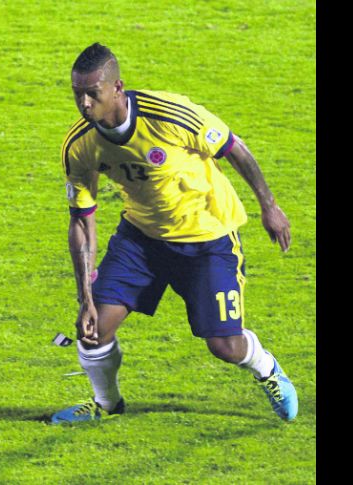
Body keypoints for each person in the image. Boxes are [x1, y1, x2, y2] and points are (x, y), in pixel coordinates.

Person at [51, 43, 298, 424]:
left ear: (117, 88)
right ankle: (107, 404)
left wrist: (269, 206)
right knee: (93, 328)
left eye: (92, 93)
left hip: (208, 238)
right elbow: (82, 220)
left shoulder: (170, 115)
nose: (83, 103)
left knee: (225, 346)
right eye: (76, 94)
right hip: (141, 240)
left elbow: (234, 148)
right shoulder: (80, 144)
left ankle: (267, 368)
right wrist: (84, 295)